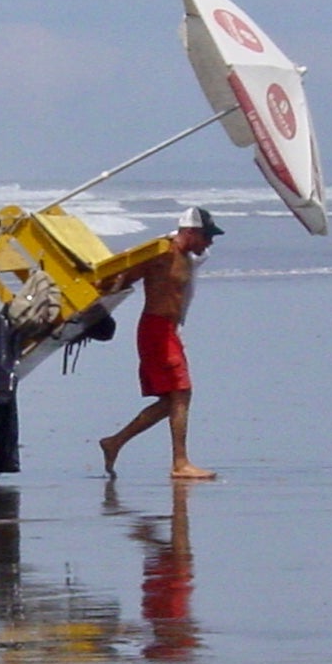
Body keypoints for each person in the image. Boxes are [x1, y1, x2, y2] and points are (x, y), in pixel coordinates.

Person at [99, 206, 223, 480]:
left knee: (174, 399)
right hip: (155, 329)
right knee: (181, 393)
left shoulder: (186, 255)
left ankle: (115, 442)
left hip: (168, 330)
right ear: (190, 232)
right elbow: (124, 273)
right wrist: (102, 290)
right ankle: (179, 463)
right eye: (207, 236)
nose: (210, 242)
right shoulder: (161, 252)